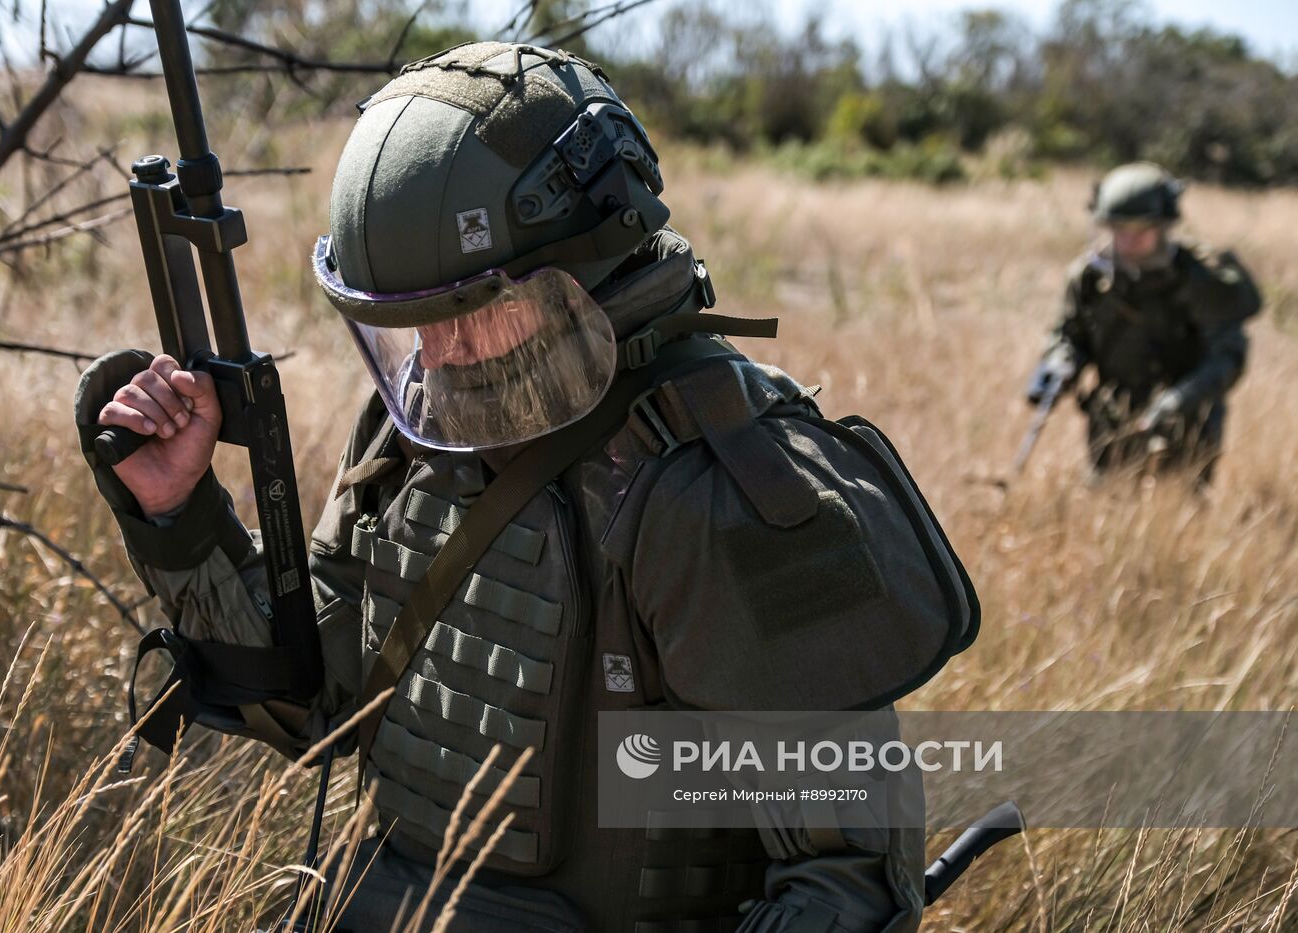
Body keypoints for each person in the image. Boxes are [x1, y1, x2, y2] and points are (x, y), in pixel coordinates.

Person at [76, 42, 978, 932]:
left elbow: (846, 888)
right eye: (407, 330)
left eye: (462, 317)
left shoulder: (717, 492)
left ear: (575, 277)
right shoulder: (413, 430)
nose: (434, 359)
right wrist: (178, 514)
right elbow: (316, 703)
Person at [1026, 162, 1262, 485]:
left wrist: (1178, 401)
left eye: (1140, 228)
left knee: (1183, 512)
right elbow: (1069, 335)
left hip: (1189, 424)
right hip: (1112, 422)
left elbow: (1227, 358)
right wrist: (1059, 364)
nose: (1128, 239)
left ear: (1163, 227)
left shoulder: (1201, 277)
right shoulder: (1090, 279)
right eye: (1118, 228)